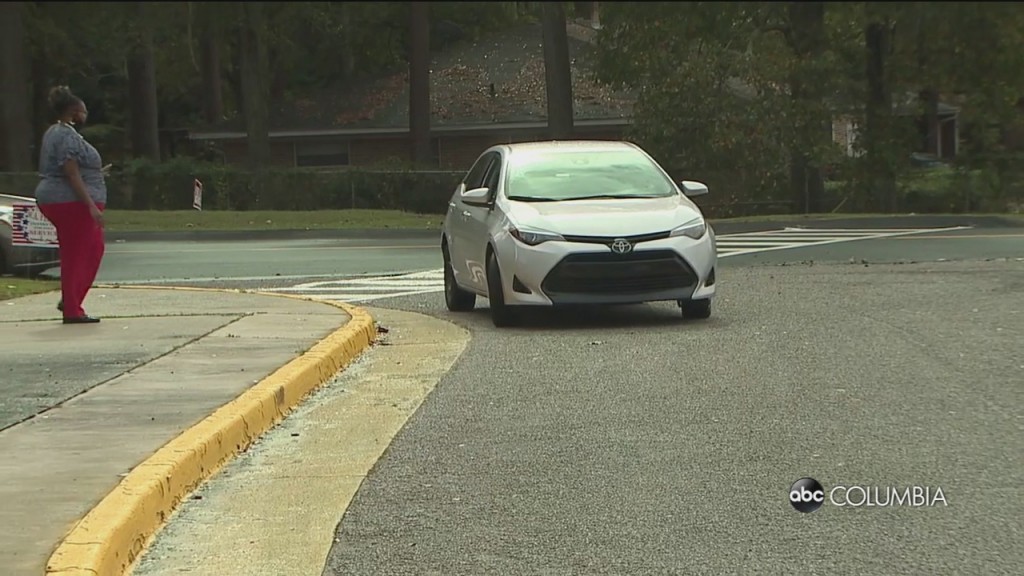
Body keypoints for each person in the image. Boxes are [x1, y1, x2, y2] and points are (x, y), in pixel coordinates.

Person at [34, 85, 109, 324]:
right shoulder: (64, 135)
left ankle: (72, 298)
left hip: (66, 198)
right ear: (74, 111)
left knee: (92, 249)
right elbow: (71, 173)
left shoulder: (58, 133)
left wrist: (97, 174)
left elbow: (77, 170)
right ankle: (72, 309)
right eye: (83, 111)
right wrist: (90, 205)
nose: (85, 116)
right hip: (69, 201)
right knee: (77, 254)